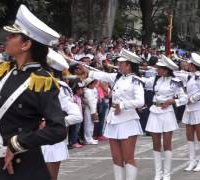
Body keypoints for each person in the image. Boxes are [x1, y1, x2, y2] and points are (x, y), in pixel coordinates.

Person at [0, 5, 66, 180]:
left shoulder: (42, 81)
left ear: (26, 45)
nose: (7, 38)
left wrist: (18, 142)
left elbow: (58, 129)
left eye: (13, 35)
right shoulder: (3, 71)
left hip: (19, 167)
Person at [77, 48, 144, 180]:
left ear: (129, 65)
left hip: (128, 120)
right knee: (116, 157)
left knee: (128, 157)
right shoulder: (117, 77)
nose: (118, 66)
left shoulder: (136, 81)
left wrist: (123, 105)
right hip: (114, 120)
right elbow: (103, 75)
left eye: (121, 63)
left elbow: (140, 101)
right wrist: (88, 71)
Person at [41, 49, 82, 180]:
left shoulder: (60, 88)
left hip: (51, 140)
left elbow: (77, 115)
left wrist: (55, 122)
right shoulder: (36, 84)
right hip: (33, 138)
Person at [144, 55, 187, 180]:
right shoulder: (155, 80)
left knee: (167, 143)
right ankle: (158, 173)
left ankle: (167, 174)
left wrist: (172, 101)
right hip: (154, 111)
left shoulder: (175, 82)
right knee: (156, 143)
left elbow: (184, 98)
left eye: (160, 68)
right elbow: (142, 81)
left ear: (166, 70)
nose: (157, 70)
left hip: (167, 112)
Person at [182, 53, 200, 172]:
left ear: (194, 65)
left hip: (198, 108)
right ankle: (192, 161)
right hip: (189, 109)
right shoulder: (190, 76)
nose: (187, 64)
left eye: (189, 63)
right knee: (189, 136)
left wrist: (192, 98)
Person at [83, 78, 99, 145]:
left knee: (92, 124)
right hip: (89, 110)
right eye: (93, 84)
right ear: (89, 85)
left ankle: (91, 138)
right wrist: (93, 112)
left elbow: (95, 100)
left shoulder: (93, 90)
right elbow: (90, 102)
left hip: (93, 109)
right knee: (88, 124)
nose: (94, 85)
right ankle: (88, 139)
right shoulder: (87, 91)